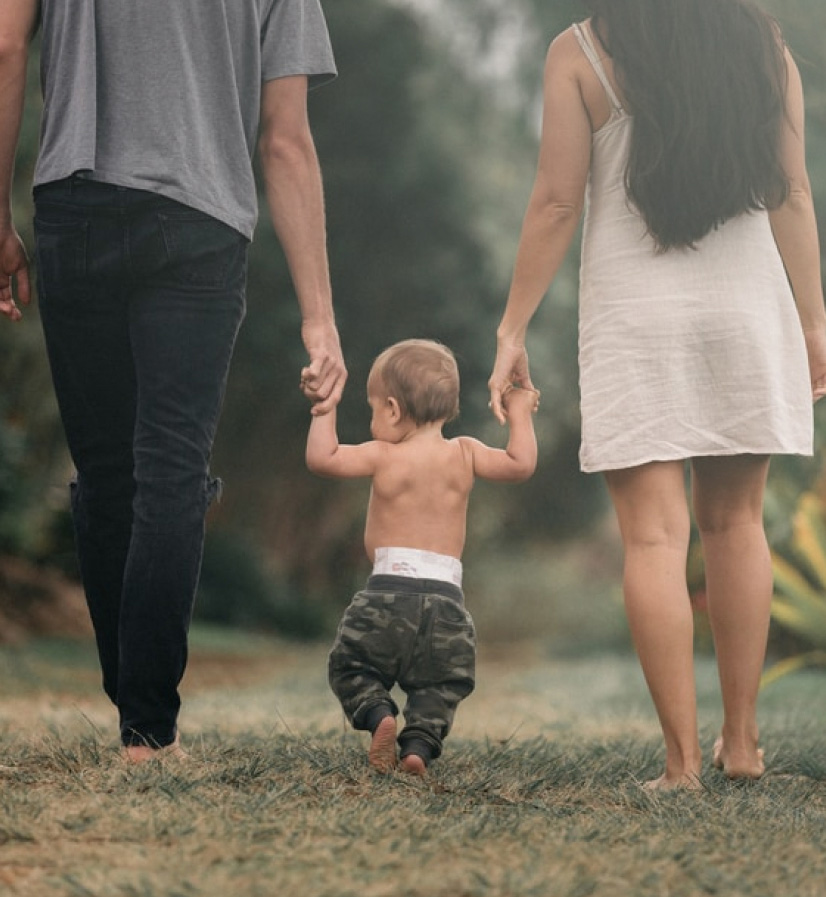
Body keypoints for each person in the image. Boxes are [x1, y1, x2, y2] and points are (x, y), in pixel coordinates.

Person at [488, 0, 826, 789]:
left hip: (638, 319)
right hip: (745, 310)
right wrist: (814, 321)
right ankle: (741, 747)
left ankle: (681, 765)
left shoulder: (580, 51)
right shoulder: (761, 43)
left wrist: (512, 328)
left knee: (652, 540)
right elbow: (793, 193)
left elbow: (556, 202)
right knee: (738, 522)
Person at [0, 0, 346, 762]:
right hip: (200, 225)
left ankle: (137, 708)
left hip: (76, 207)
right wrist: (318, 315)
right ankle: (147, 730)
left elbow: (4, 48)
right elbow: (285, 140)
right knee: (170, 470)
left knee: (107, 473)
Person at [306, 339, 538, 774]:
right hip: (447, 604)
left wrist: (325, 405)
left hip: (386, 595)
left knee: (352, 666)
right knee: (440, 686)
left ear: (393, 409)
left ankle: (380, 715)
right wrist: (520, 410)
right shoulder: (466, 453)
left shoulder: (384, 455)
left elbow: (323, 458)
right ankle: (417, 749)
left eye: (374, 408)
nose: (374, 419)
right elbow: (520, 464)